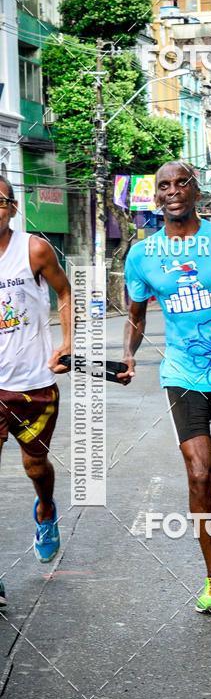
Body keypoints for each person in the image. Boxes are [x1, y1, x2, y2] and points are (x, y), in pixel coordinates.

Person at [121, 162, 211, 614]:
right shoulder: (143, 255)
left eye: (180, 182)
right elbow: (137, 312)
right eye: (163, 186)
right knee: (198, 473)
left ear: (195, 190)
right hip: (182, 374)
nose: (172, 191)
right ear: (156, 197)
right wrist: (128, 355)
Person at [0, 176, 72, 606]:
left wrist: (67, 341)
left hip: (32, 383)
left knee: (35, 465)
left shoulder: (34, 250)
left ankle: (45, 508)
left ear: (11, 206)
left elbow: (64, 292)